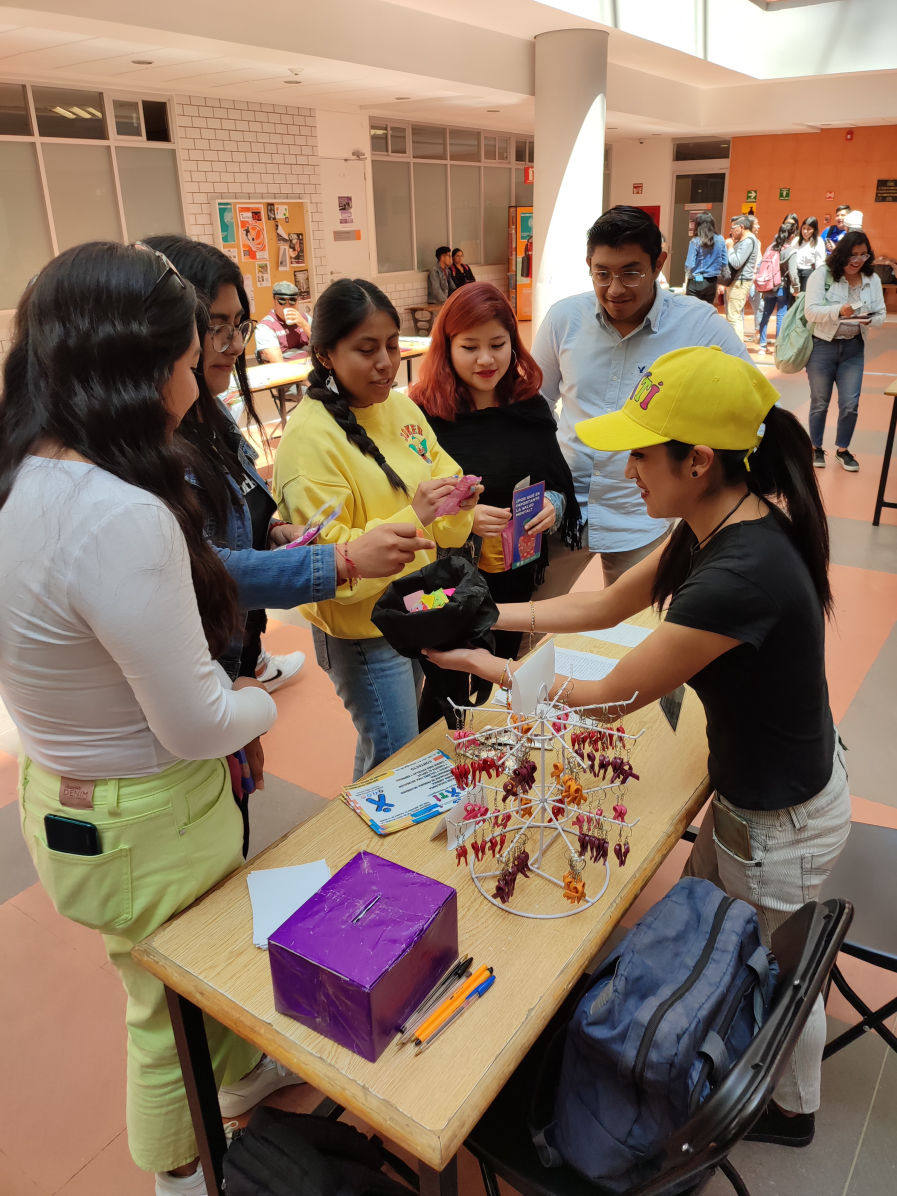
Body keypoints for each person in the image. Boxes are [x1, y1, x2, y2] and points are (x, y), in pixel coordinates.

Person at [424, 345, 850, 1150]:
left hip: (780, 819)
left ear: (697, 460)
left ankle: (786, 1109)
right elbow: (608, 604)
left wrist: (485, 666)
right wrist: (487, 615)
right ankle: (691, 1031)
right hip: (755, 791)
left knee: (773, 971)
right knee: (707, 921)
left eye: (642, 454)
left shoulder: (739, 572)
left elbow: (608, 698)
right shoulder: (719, 518)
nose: (626, 470)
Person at [0, 240, 285, 1195]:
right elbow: (195, 724)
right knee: (165, 1019)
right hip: (148, 819)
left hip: (62, 796)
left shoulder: (18, 479)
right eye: (188, 360)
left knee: (171, 981)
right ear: (141, 371)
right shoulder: (119, 515)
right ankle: (179, 1176)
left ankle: (236, 1081)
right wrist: (259, 697)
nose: (196, 383)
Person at [144, 237, 425, 707]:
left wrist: (271, 529)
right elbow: (204, 567)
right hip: (215, 665)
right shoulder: (157, 450)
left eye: (239, 325)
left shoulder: (213, 417)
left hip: (240, 649)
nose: (235, 345)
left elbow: (236, 512)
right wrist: (344, 560)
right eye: (215, 327)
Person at [273, 278, 479, 779]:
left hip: (415, 609)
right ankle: (372, 830)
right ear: (325, 354)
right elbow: (326, 565)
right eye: (366, 350)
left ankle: (370, 822)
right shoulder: (309, 442)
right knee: (394, 758)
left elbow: (443, 496)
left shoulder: (400, 407)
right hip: (362, 631)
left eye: (391, 345)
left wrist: (459, 499)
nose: (385, 363)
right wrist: (418, 514)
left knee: (388, 753)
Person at [532, 205, 750, 597]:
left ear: (658, 264)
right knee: (534, 617)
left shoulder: (698, 325)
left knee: (638, 625)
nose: (615, 289)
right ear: (589, 265)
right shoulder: (565, 319)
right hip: (562, 508)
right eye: (602, 273)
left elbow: (755, 406)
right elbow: (535, 407)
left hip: (643, 514)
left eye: (631, 273)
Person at [410, 281, 580, 661]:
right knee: (445, 669)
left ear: (513, 344)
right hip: (445, 577)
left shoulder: (528, 406)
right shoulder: (422, 415)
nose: (486, 359)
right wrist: (464, 519)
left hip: (514, 572)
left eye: (498, 344)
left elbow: (557, 482)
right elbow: (405, 499)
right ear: (447, 348)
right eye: (470, 347)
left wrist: (551, 507)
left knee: (503, 665)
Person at [805, 229, 886, 471]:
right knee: (820, 401)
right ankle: (816, 447)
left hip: (854, 348)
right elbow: (811, 312)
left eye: (864, 254)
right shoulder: (823, 275)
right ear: (842, 254)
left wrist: (868, 318)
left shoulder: (872, 279)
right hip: (822, 346)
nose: (858, 260)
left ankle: (843, 450)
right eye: (853, 255)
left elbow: (881, 314)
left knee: (850, 403)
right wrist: (839, 310)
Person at [753, 221, 800, 357]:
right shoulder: (791, 251)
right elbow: (793, 273)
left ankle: (762, 346)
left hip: (768, 286)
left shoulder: (770, 247)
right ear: (792, 236)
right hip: (782, 287)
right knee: (781, 317)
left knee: (766, 314)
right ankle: (777, 348)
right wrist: (796, 288)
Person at [254, 279, 311, 363]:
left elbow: (323, 345)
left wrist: (304, 325)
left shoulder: (305, 318)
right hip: (288, 368)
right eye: (282, 300)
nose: (287, 305)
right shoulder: (265, 327)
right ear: (274, 301)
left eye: (292, 300)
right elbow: (278, 362)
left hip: (311, 365)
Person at [723, 215, 761, 342]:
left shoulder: (748, 241)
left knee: (734, 316)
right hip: (737, 281)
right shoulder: (743, 240)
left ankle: (736, 347)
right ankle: (735, 345)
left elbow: (737, 262)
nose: (731, 231)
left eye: (733, 228)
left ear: (741, 227)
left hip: (740, 282)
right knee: (734, 315)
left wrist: (730, 247)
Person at [683, 212, 726, 305]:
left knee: (692, 309)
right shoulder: (720, 239)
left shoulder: (695, 241)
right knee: (707, 309)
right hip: (712, 280)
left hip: (697, 279)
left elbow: (689, 264)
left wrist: (688, 277)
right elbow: (724, 261)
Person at [794, 217, 826, 291]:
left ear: (814, 230)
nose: (805, 231)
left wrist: (819, 278)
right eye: (804, 228)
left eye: (809, 229)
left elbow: (819, 261)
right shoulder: (796, 241)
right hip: (795, 274)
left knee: (805, 296)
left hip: (809, 274)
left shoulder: (818, 242)